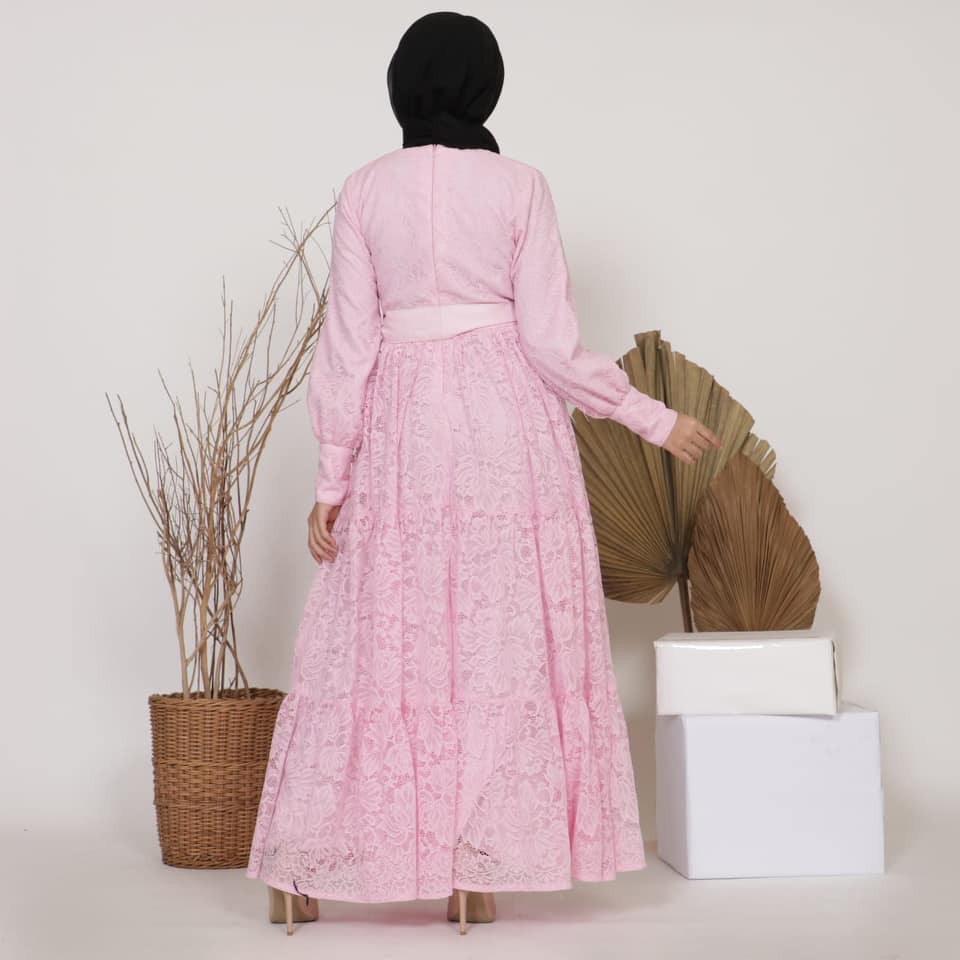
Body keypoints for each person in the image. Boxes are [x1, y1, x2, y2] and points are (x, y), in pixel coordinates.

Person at [245, 11, 721, 935]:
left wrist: (332, 477)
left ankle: (302, 867)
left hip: (403, 429)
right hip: (508, 431)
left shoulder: (364, 189)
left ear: (400, 86)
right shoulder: (520, 185)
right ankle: (476, 868)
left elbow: (345, 347)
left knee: (382, 642)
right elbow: (551, 343)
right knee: (499, 642)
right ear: (486, 87)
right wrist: (650, 417)